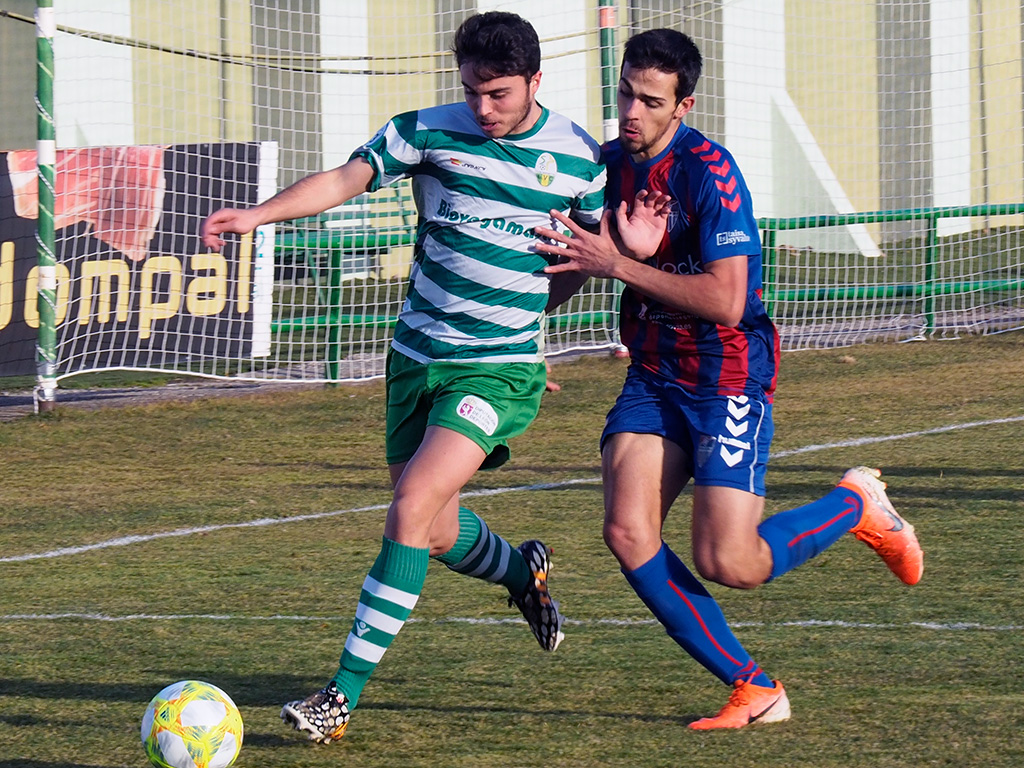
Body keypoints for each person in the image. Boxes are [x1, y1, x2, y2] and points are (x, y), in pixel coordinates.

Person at [201, 11, 617, 743]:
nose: (483, 107)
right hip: (416, 358)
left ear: (535, 82)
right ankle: (523, 575)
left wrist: (527, 324)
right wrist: (259, 217)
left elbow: (585, 257)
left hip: (497, 373)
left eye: (499, 94)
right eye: (472, 91)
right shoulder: (424, 131)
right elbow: (345, 177)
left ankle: (339, 698)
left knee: (411, 504)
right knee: (431, 531)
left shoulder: (581, 158)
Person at [534, 28, 924, 730]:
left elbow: (727, 301)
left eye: (651, 101)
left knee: (733, 562)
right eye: (625, 93)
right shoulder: (607, 164)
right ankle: (755, 687)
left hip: (727, 375)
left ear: (684, 105)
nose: (631, 112)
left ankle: (856, 505)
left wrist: (619, 264)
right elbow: (580, 259)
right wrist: (522, 332)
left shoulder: (711, 172)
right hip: (653, 372)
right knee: (628, 532)